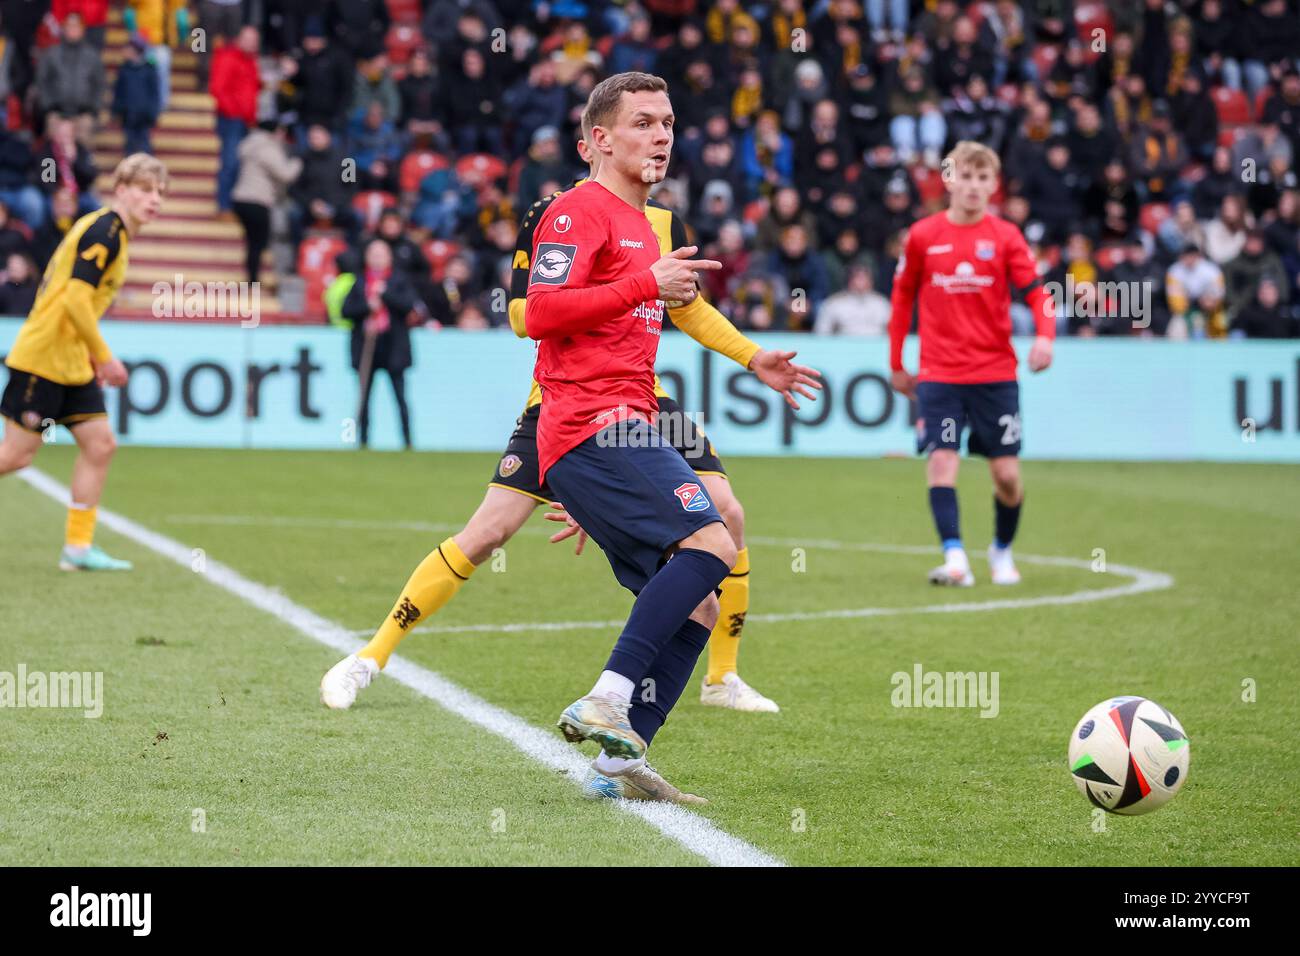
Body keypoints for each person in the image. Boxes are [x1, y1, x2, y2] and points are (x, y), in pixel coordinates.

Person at [319, 80, 819, 791]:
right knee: (707, 541)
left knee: (703, 593)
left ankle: (623, 753)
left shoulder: (657, 224)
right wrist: (644, 284)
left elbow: (685, 308)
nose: (662, 135)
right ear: (598, 140)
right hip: (587, 418)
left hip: (631, 416)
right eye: (643, 122)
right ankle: (601, 695)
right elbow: (539, 312)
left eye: (669, 123)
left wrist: (751, 354)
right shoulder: (571, 213)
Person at [888, 141, 1054, 588]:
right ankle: (955, 557)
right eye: (966, 176)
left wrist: (1045, 337)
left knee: (1007, 476)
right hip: (940, 375)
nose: (974, 186)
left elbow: (1037, 291)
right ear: (949, 180)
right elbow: (902, 298)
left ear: (994, 185)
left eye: (983, 178)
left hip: (996, 375)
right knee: (942, 462)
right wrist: (896, 361)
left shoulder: (1006, 237)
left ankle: (1001, 550)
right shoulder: (923, 235)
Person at [0, 154, 167, 570]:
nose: (155, 200)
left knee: (101, 444)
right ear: (122, 190)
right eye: (145, 190)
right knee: (16, 456)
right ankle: (78, 548)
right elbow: (75, 296)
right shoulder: (105, 229)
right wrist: (106, 357)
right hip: (44, 357)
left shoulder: (117, 234)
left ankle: (77, 549)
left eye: (160, 192)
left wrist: (90, 354)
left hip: (71, 361)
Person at [341, 238, 416, 449]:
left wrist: (385, 295)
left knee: (400, 397)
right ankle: (363, 442)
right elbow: (346, 311)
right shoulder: (359, 281)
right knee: (364, 398)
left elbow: (407, 306)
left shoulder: (399, 280)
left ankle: (408, 442)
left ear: (389, 258)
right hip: (367, 345)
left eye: (381, 255)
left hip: (393, 346)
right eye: (373, 255)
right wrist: (367, 306)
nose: (377, 259)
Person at [231, 120, 302, 283]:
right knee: (258, 243)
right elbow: (285, 174)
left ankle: (251, 277)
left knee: (252, 242)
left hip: (240, 198)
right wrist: (298, 162)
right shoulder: (268, 148)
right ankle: (253, 280)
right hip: (258, 200)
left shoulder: (249, 144)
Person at [210, 26, 261, 216]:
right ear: (239, 39)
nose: (251, 44)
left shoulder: (251, 61)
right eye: (248, 39)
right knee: (230, 162)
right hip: (232, 119)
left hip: (245, 120)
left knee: (239, 162)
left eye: (254, 41)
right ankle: (224, 206)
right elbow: (217, 89)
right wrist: (234, 111)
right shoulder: (228, 58)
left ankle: (232, 204)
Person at [111, 36, 161, 156]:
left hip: (144, 115)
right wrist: (116, 110)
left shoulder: (149, 69)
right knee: (129, 146)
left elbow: (154, 93)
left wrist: (153, 112)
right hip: (128, 114)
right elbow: (119, 92)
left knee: (144, 146)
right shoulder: (124, 69)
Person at [0, 251, 39, 315]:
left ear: (27, 267)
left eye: (18, 265)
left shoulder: (36, 290)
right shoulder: (4, 290)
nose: (15, 268)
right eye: (12, 266)